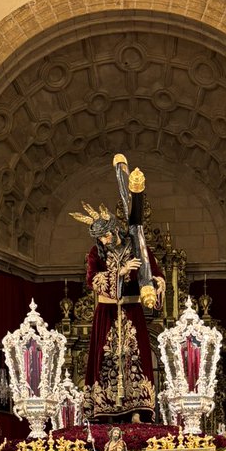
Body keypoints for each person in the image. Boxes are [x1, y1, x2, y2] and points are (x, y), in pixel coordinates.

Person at [71, 156, 165, 420]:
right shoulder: (95, 253)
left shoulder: (135, 245)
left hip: (132, 311)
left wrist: (156, 283)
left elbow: (153, 270)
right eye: (101, 237)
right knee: (108, 359)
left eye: (108, 233)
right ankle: (107, 412)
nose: (105, 239)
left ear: (116, 228)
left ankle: (137, 410)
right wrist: (120, 273)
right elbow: (93, 280)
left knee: (134, 358)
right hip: (108, 314)